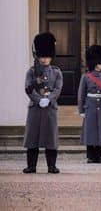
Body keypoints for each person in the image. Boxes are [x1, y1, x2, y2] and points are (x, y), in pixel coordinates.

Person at [23, 32, 62, 174]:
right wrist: (39, 100)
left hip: (50, 108)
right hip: (35, 109)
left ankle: (52, 166)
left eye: (47, 56)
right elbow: (28, 89)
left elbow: (57, 89)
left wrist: (49, 99)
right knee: (32, 138)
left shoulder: (57, 72)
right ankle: (31, 166)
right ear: (38, 56)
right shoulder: (32, 72)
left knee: (51, 139)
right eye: (42, 56)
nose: (44, 59)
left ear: (51, 56)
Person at [78, 45, 101, 164]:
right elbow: (81, 94)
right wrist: (81, 110)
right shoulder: (86, 77)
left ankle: (98, 155)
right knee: (90, 131)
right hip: (90, 106)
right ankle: (90, 156)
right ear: (95, 63)